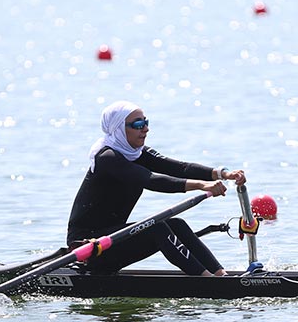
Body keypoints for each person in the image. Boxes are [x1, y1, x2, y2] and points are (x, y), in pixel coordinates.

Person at [66, 100, 247, 276]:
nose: (145, 128)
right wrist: (201, 185)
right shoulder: (107, 158)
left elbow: (179, 168)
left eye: (145, 122)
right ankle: (209, 283)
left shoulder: (137, 152)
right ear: (119, 129)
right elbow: (151, 180)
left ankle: (220, 276)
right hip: (88, 247)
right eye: (138, 124)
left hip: (114, 238)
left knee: (176, 225)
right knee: (156, 228)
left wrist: (223, 173)